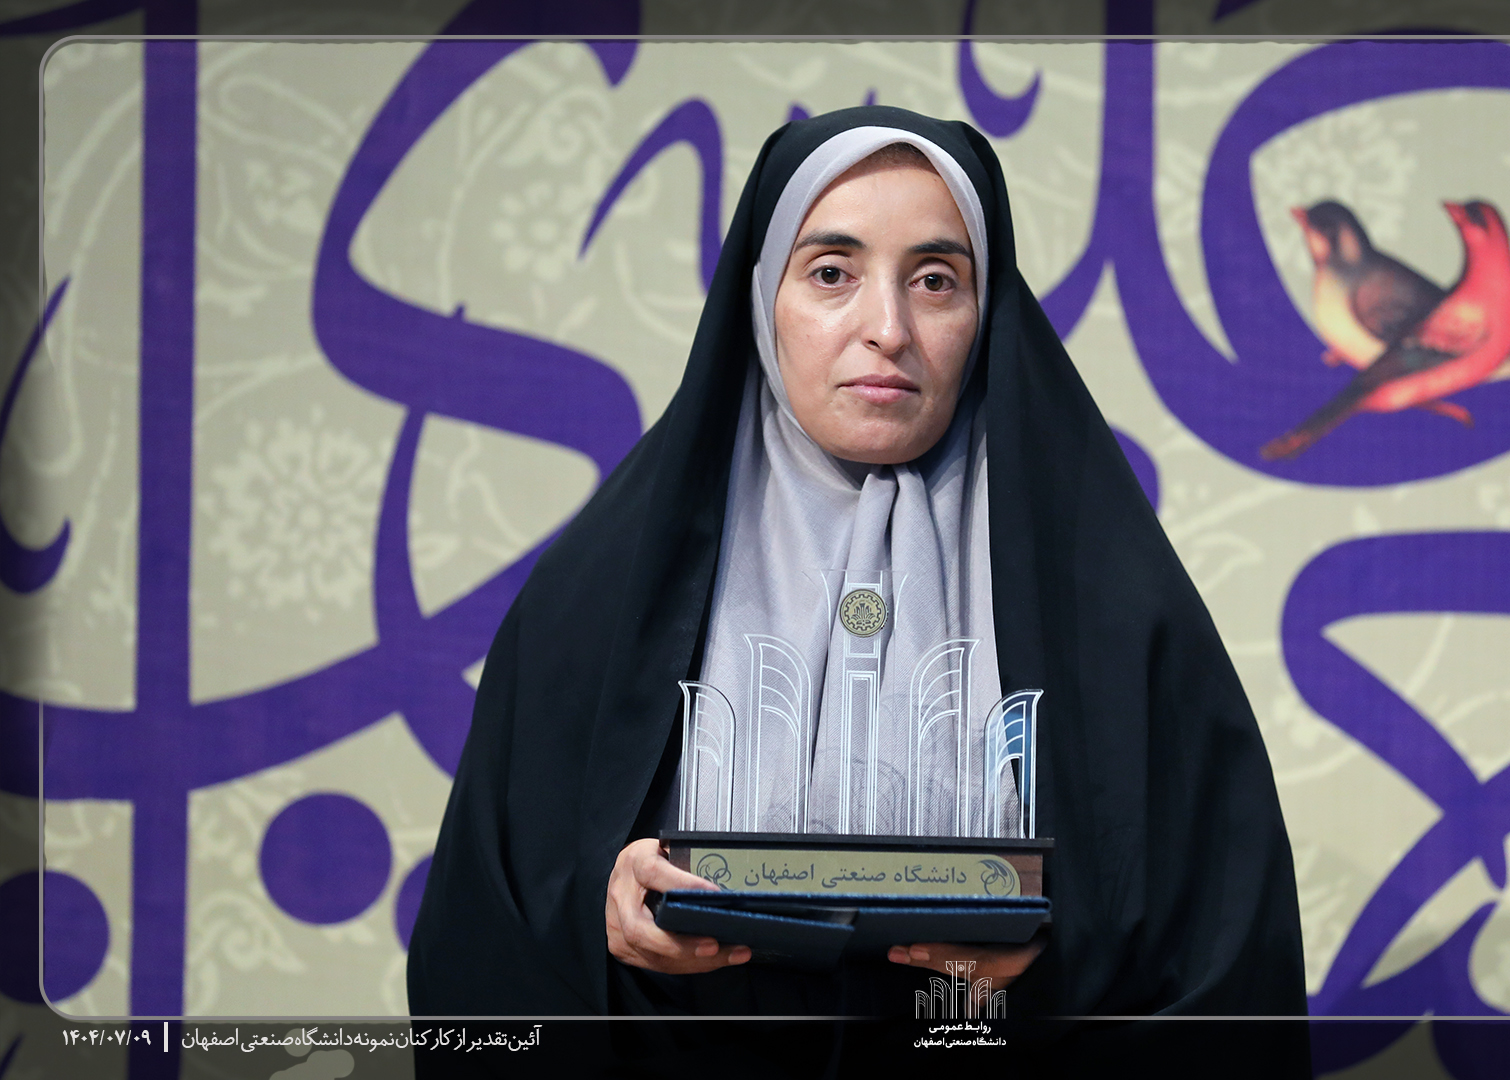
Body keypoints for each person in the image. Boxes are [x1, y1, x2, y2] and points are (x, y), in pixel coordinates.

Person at [407, 106, 1307, 1028]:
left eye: (935, 281)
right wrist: (604, 911)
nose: (888, 327)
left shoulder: (1111, 601)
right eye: (832, 273)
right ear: (763, 298)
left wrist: (1058, 955)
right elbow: (488, 935)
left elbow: (1225, 951)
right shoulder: (600, 592)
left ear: (986, 311)